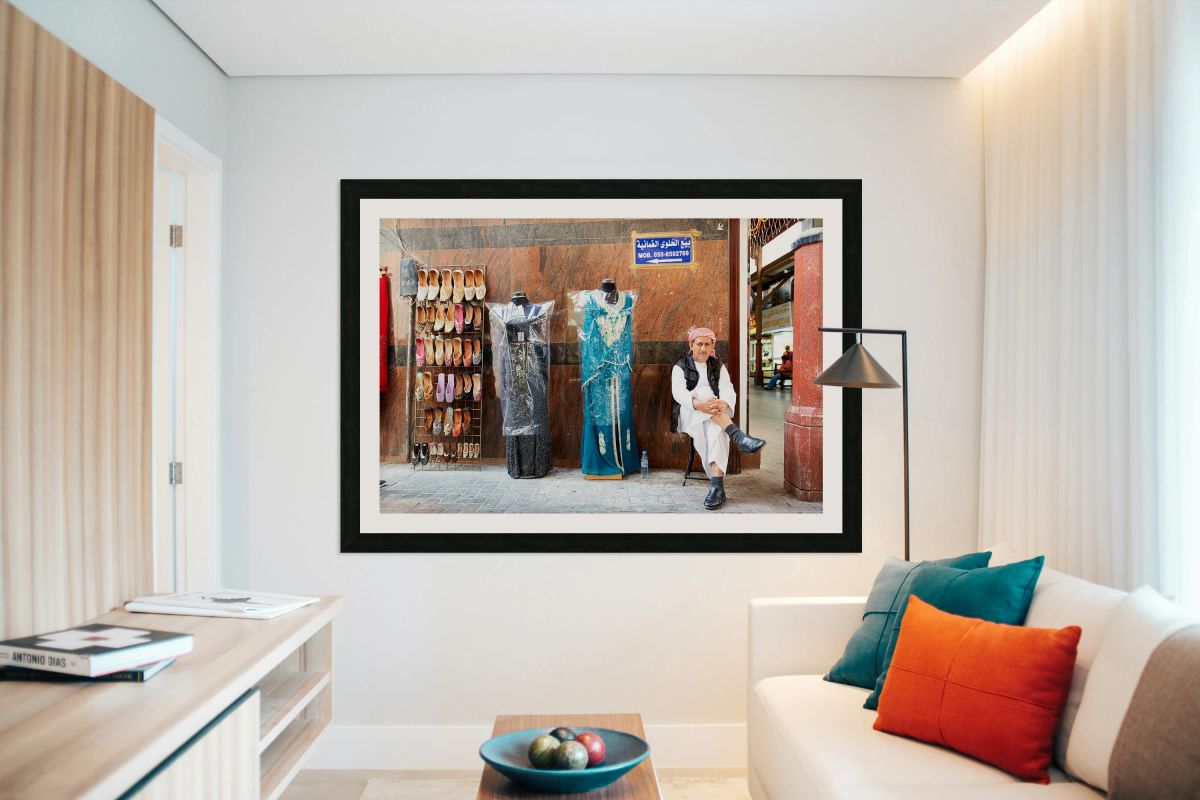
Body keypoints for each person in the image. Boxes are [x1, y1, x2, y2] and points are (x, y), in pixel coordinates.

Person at [671, 327, 767, 510]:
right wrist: (700, 404)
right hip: (688, 412)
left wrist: (723, 403)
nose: (703, 349)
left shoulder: (717, 365)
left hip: (713, 416)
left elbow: (727, 389)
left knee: (717, 430)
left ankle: (717, 487)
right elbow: (678, 393)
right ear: (691, 345)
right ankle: (738, 436)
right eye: (699, 344)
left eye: (707, 344)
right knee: (704, 392)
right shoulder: (680, 366)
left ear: (713, 345)